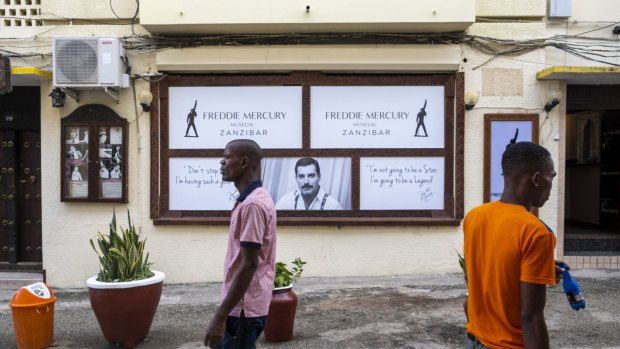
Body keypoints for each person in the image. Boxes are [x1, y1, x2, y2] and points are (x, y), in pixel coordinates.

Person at [463, 141, 561, 349]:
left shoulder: (475, 216)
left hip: (474, 340)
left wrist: (541, 268)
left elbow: (491, 271)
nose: (551, 184)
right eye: (550, 177)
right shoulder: (536, 232)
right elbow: (531, 317)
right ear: (536, 179)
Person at [204, 139, 277, 349]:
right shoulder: (249, 200)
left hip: (244, 310)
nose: (221, 162)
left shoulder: (253, 205)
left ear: (244, 162)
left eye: (227, 157)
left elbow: (249, 264)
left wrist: (220, 317)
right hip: (241, 307)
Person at [275, 157, 343, 210]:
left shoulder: (333, 206)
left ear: (319, 177)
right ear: (296, 178)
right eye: (301, 176)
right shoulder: (287, 201)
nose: (306, 182)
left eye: (311, 176)